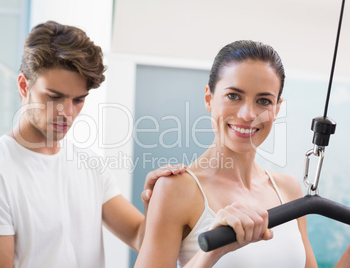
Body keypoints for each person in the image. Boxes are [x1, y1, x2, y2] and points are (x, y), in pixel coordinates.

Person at [0, 20, 185, 268]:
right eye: (54, 97)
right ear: (24, 86)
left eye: (78, 100)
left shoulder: (90, 164)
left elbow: (141, 238)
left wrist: (157, 203)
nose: (67, 112)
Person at [135, 40, 350, 267]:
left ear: (276, 109)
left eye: (263, 101)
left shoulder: (289, 189)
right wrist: (210, 254)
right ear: (209, 98)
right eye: (234, 96)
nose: (248, 114)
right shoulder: (175, 189)